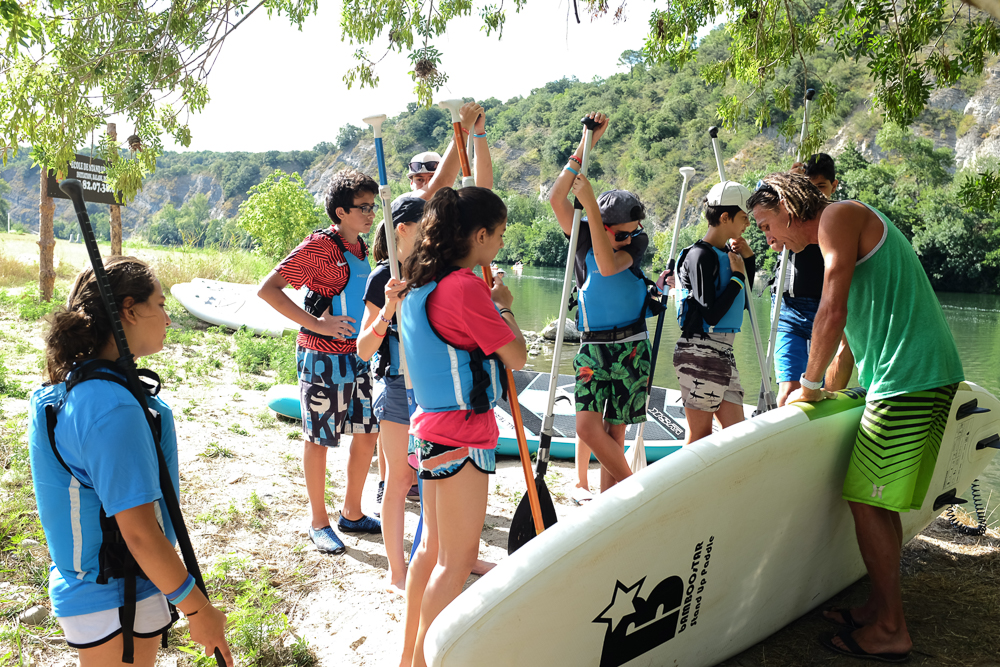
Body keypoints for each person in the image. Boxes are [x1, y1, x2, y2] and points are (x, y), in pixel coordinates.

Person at [748, 173, 964, 663]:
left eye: (766, 225)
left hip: (911, 377)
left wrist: (806, 384)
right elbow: (850, 335)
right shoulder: (842, 227)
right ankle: (877, 609)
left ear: (786, 206)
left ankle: (891, 629)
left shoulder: (838, 216)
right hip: (908, 376)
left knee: (866, 503)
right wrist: (828, 391)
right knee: (876, 501)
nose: (769, 239)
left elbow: (832, 307)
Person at [28, 258, 232, 667]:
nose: (168, 318)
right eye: (159, 304)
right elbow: (138, 532)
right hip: (112, 596)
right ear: (130, 310)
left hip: (122, 588)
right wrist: (197, 610)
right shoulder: (112, 407)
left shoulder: (82, 385)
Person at [397, 187, 527, 667]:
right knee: (454, 562)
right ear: (479, 234)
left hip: (429, 429)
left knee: (431, 551)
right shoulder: (465, 287)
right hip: (461, 437)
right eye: (498, 234)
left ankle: (407, 655)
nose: (499, 243)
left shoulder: (418, 280)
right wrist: (506, 306)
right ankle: (421, 661)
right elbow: (515, 355)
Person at [258, 168, 382, 555]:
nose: (370, 214)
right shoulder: (319, 247)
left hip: (360, 355)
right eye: (363, 208)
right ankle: (318, 521)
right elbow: (268, 289)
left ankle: (352, 512)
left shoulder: (363, 247)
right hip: (322, 356)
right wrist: (317, 323)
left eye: (372, 207)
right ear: (341, 212)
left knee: (367, 434)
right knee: (319, 439)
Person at [549, 113, 654, 492]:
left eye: (633, 233)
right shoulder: (581, 241)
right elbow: (556, 197)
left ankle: (614, 500)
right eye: (623, 233)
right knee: (587, 427)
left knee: (616, 431)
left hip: (630, 348)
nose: (630, 239)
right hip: (593, 348)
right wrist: (586, 145)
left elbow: (609, 269)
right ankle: (636, 489)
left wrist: (590, 203)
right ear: (605, 227)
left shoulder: (634, 246)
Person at [357, 197, 424, 594]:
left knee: (431, 479)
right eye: (426, 226)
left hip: (433, 390)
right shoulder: (381, 277)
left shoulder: (434, 272)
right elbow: (364, 349)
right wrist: (389, 307)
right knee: (399, 479)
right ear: (403, 228)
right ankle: (396, 571)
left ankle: (435, 558)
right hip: (397, 386)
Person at [672, 181, 756, 444]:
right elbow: (710, 314)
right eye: (744, 218)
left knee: (736, 434)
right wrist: (738, 278)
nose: (747, 224)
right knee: (701, 436)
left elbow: (743, 302)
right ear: (724, 217)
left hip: (723, 351)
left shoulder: (728, 255)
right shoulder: (700, 255)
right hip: (701, 351)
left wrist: (748, 261)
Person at [770, 153, 843, 405]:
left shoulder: (840, 218)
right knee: (788, 390)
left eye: (821, 187)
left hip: (823, 308)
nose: (815, 194)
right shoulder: (790, 213)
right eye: (809, 187)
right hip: (788, 307)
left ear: (834, 186)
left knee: (818, 387)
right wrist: (789, 185)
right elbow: (768, 227)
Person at [396, 101, 488, 203]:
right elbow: (439, 184)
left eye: (432, 178)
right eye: (419, 180)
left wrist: (479, 131)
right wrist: (463, 126)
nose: (426, 184)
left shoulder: (451, 205)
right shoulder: (403, 204)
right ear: (411, 184)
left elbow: (484, 189)